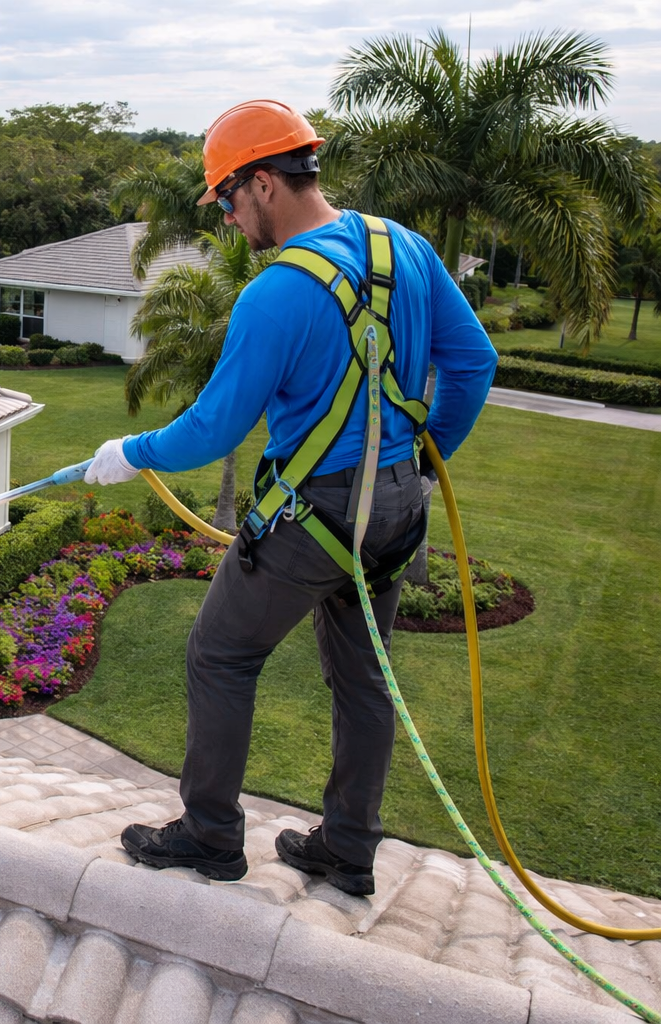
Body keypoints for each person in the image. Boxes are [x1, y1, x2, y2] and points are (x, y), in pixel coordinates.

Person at [83, 99, 497, 896]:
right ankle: (347, 851)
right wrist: (418, 455)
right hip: (396, 513)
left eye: (230, 201)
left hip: (316, 519)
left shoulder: (277, 294)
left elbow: (213, 427)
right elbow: (472, 364)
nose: (231, 220)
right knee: (364, 679)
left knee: (221, 654)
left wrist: (130, 452)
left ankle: (208, 835)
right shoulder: (403, 246)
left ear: (265, 183)